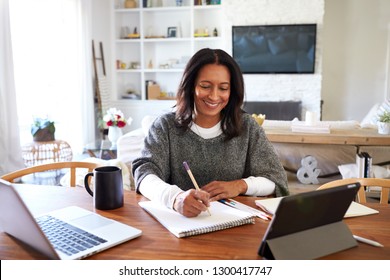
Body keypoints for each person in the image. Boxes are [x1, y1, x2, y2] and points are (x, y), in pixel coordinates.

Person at [132, 48, 289, 217]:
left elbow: (276, 180)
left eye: (223, 88)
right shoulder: (165, 126)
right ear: (191, 86)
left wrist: (239, 185)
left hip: (235, 226)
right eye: (205, 86)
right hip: (182, 225)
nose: (214, 96)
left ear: (232, 91)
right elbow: (144, 173)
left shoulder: (247, 127)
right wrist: (175, 198)